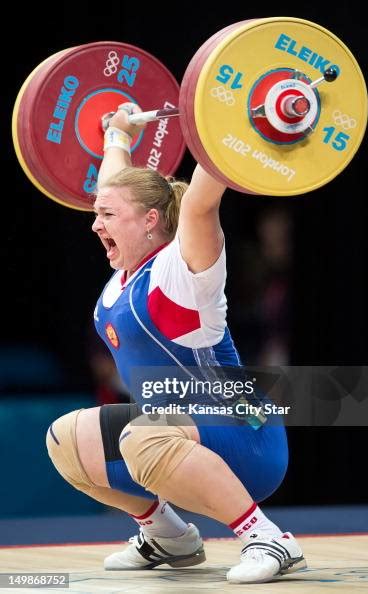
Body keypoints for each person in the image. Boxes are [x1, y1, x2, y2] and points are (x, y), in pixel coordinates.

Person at [46, 102, 306, 584]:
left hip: (245, 435)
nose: (94, 223)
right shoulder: (124, 275)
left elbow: (201, 201)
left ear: (149, 220)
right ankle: (169, 537)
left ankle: (266, 537)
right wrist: (117, 135)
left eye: (106, 215)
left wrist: (234, 128)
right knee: (65, 437)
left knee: (141, 437)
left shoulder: (183, 273)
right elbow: (115, 187)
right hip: (177, 434)